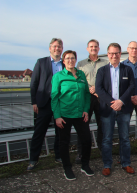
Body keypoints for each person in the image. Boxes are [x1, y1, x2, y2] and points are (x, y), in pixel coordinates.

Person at [51, 50, 93, 180]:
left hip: (81, 114)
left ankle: (85, 164)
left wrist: (86, 110)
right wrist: (57, 116)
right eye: (67, 58)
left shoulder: (80, 74)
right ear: (63, 61)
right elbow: (54, 97)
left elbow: (86, 93)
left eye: (73, 58)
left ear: (76, 60)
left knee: (87, 140)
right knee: (64, 142)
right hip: (64, 115)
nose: (70, 60)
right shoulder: (58, 76)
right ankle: (67, 168)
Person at [95, 43, 135, 176]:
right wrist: (112, 103)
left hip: (123, 109)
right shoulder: (102, 71)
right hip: (107, 110)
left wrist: (121, 101)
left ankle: (126, 163)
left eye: (117, 53)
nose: (114, 55)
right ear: (108, 54)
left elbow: (131, 86)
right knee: (107, 139)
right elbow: (99, 89)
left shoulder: (127, 69)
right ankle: (107, 165)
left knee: (124, 138)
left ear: (120, 54)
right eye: (111, 53)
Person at [27, 38, 63, 171]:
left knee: (60, 131)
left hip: (60, 103)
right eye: (54, 46)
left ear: (62, 49)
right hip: (44, 103)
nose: (57, 49)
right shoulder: (41, 62)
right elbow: (34, 83)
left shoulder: (65, 64)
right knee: (39, 132)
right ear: (50, 48)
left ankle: (58, 156)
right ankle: (33, 159)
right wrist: (34, 101)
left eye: (59, 46)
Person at [75, 39, 108, 163]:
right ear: (87, 49)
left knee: (102, 125)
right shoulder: (81, 64)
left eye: (96, 46)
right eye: (91, 46)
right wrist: (89, 88)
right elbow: (78, 80)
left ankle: (102, 149)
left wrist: (98, 90)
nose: (93, 48)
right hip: (86, 98)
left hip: (101, 98)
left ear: (99, 49)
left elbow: (108, 80)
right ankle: (81, 152)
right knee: (83, 126)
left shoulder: (105, 63)